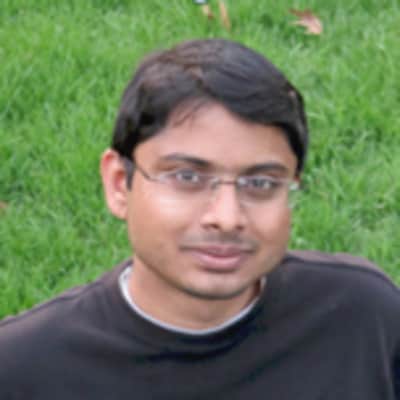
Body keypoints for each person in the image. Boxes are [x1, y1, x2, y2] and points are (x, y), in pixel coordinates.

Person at [0, 38, 399, 399]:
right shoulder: (23, 369)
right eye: (187, 177)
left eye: (260, 183)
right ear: (120, 184)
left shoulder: (361, 319)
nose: (227, 218)